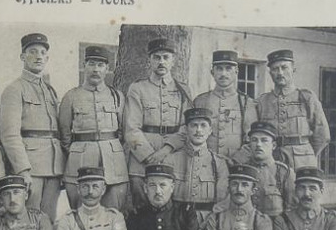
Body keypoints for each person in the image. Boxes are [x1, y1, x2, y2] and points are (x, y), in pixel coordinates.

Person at [0, 33, 65, 224]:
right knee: (28, 220)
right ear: (22, 56)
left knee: (48, 220)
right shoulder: (14, 89)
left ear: (47, 58)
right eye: (33, 51)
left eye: (43, 52)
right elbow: (10, 134)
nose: (38, 56)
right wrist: (23, 170)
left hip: (53, 167)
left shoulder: (49, 90)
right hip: (31, 166)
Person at [124, 36, 193, 211]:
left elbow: (187, 126)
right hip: (141, 158)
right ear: (149, 60)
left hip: (173, 154)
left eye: (166, 57)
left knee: (173, 205)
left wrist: (166, 149)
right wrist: (147, 156)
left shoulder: (183, 89)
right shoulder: (137, 88)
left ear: (173, 61)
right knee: (141, 205)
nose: (161, 62)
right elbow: (131, 128)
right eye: (156, 57)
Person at [58, 45, 129, 212]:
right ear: (84, 66)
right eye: (91, 64)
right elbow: (64, 133)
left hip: (113, 161)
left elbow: (124, 131)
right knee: (81, 212)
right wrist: (78, 149)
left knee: (114, 211)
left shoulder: (117, 96)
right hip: (80, 159)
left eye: (100, 65)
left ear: (107, 69)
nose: (95, 69)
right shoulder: (71, 96)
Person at [255, 49, 331, 172]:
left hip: (302, 161)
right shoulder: (263, 101)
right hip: (273, 159)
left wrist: (308, 154)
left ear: (293, 69)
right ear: (270, 73)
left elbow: (322, 135)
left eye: (284, 67)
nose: (280, 73)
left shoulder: (306, 97)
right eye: (275, 69)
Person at [163, 107, 229, 219]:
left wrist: (210, 221)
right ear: (186, 129)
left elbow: (222, 200)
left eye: (203, 125)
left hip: (206, 221)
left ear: (210, 130)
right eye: (194, 125)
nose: (198, 130)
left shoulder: (219, 163)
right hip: (176, 220)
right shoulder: (170, 160)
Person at [193, 49, 259, 160]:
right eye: (219, 69)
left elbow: (252, 138)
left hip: (235, 165)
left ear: (236, 72)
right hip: (205, 162)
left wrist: (236, 160)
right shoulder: (200, 101)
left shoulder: (246, 103)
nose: (223, 74)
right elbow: (191, 134)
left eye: (228, 69)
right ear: (212, 72)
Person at [233, 120, 296, 218]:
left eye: (264, 140)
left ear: (273, 145)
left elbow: (292, 212)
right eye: (254, 140)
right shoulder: (242, 172)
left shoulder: (284, 173)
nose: (258, 144)